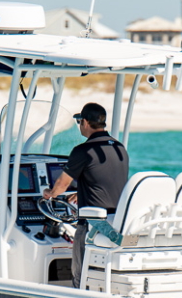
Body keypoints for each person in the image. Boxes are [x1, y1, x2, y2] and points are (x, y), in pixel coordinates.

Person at [43, 102, 129, 288]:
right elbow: (108, 180)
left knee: (80, 274)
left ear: (86, 122)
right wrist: (82, 192)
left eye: (79, 121)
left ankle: (79, 293)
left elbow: (61, 186)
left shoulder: (83, 151)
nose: (80, 125)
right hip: (117, 222)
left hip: (92, 225)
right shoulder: (120, 148)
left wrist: (49, 193)